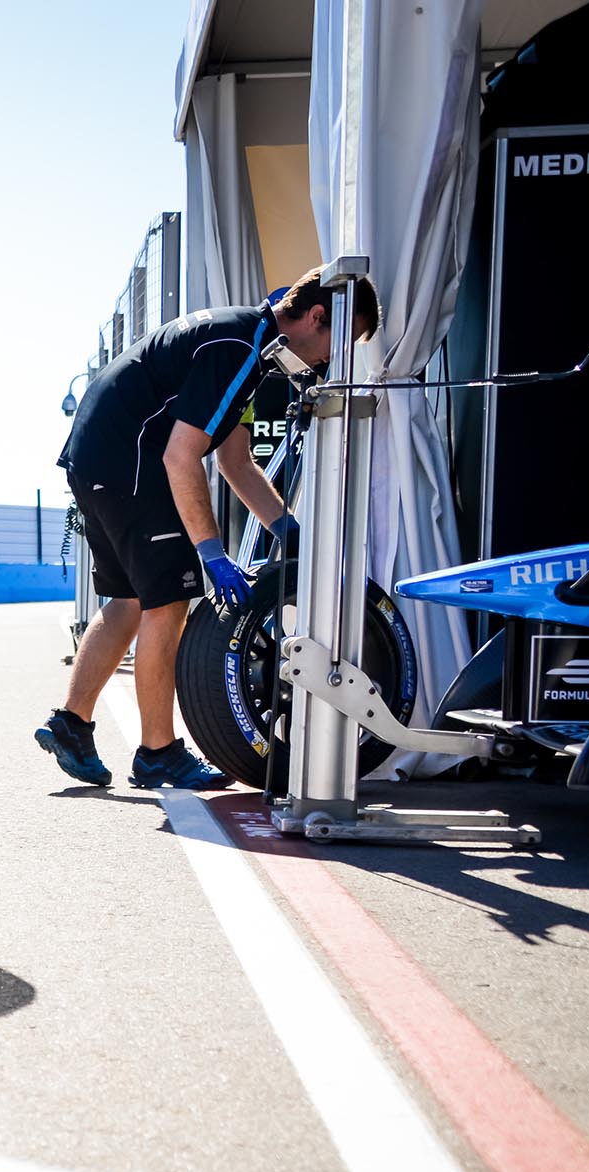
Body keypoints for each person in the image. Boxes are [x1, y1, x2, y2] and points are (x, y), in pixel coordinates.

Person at [38, 267, 381, 790]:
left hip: (97, 460)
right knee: (169, 602)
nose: (333, 360)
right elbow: (182, 457)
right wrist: (212, 552)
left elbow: (236, 463)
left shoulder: (250, 348)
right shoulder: (240, 348)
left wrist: (287, 530)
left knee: (130, 600)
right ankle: (158, 753)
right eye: (344, 341)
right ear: (316, 317)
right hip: (130, 463)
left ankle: (72, 724)